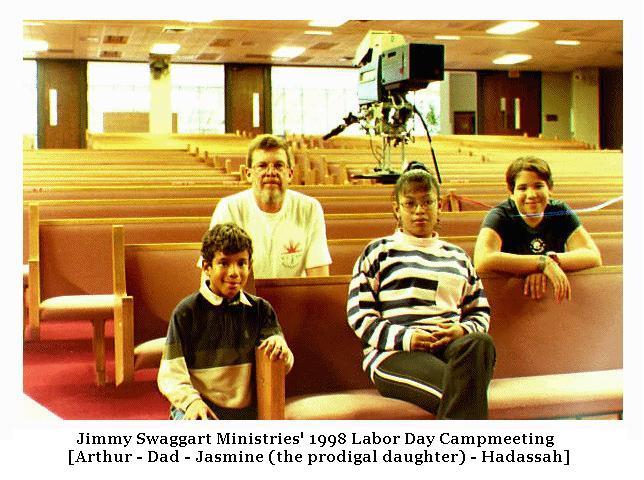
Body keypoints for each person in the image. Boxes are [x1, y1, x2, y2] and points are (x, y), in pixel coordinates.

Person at [346, 163, 495, 420]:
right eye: (410, 204)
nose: (419, 211)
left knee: (481, 343)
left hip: (450, 350)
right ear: (397, 209)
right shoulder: (379, 251)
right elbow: (359, 315)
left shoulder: (457, 256)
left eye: (427, 202)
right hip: (395, 354)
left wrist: (461, 330)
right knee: (463, 392)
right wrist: (408, 338)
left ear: (439, 207)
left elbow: (479, 311)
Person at [158, 223, 294, 420]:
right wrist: (192, 401)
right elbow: (171, 374)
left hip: (245, 411)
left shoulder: (260, 310)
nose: (234, 272)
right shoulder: (186, 312)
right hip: (201, 405)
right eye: (224, 263)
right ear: (206, 266)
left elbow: (283, 365)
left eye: (241, 263)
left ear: (250, 265)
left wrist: (281, 348)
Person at [474, 156, 602, 303]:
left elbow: (593, 256)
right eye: (522, 188)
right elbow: (482, 260)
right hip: (511, 300)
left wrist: (552, 262)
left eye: (538, 186)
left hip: (553, 300)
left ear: (550, 189)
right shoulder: (500, 215)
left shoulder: (560, 211)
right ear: (511, 193)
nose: (531, 195)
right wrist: (540, 263)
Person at [208, 134, 331, 278]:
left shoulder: (310, 208)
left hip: (294, 298)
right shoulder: (229, 208)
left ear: (290, 173)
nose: (271, 173)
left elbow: (319, 279)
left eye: (279, 166)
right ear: (248, 174)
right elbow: (215, 277)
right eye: (262, 166)